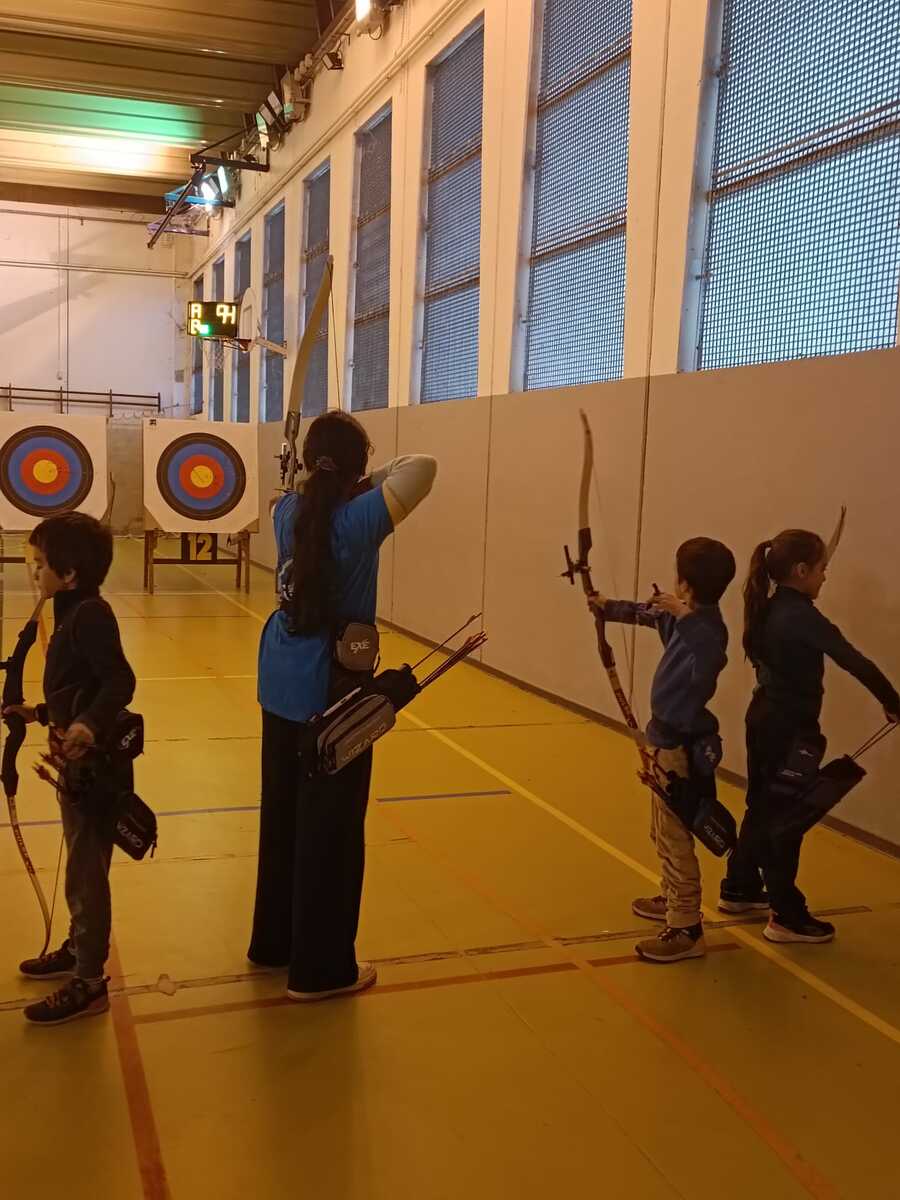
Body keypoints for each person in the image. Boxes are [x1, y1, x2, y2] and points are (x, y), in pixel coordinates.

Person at [250, 411, 437, 1000]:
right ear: (356, 469)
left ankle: (274, 945)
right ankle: (321, 971)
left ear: (309, 462)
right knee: (330, 831)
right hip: (331, 693)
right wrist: (362, 481)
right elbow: (422, 467)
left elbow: (292, 492)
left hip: (279, 682)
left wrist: (330, 475)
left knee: (283, 817)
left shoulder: (286, 512)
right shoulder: (360, 519)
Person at [720, 529, 900, 943]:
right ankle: (786, 916)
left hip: (763, 719)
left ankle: (740, 887)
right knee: (786, 820)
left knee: (762, 806)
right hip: (788, 730)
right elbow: (853, 659)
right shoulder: (801, 616)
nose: (824, 576)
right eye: (821, 569)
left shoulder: (768, 605)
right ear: (801, 570)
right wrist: (893, 701)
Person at [6, 513, 136, 1025]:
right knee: (81, 866)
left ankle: (90, 981)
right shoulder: (70, 610)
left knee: (86, 873)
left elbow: (119, 681)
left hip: (95, 768)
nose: (34, 572)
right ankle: (78, 947)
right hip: (75, 761)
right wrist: (38, 713)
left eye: (41, 564)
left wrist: (86, 725)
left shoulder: (90, 614)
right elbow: (78, 684)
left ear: (71, 573)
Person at [590, 538, 736, 963]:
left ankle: (686, 926)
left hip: (681, 746)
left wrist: (682, 615)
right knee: (661, 830)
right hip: (663, 741)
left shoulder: (708, 628)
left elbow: (712, 659)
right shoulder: (682, 618)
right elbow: (647, 613)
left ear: (685, 584)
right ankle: (672, 895)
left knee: (675, 836)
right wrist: (606, 607)